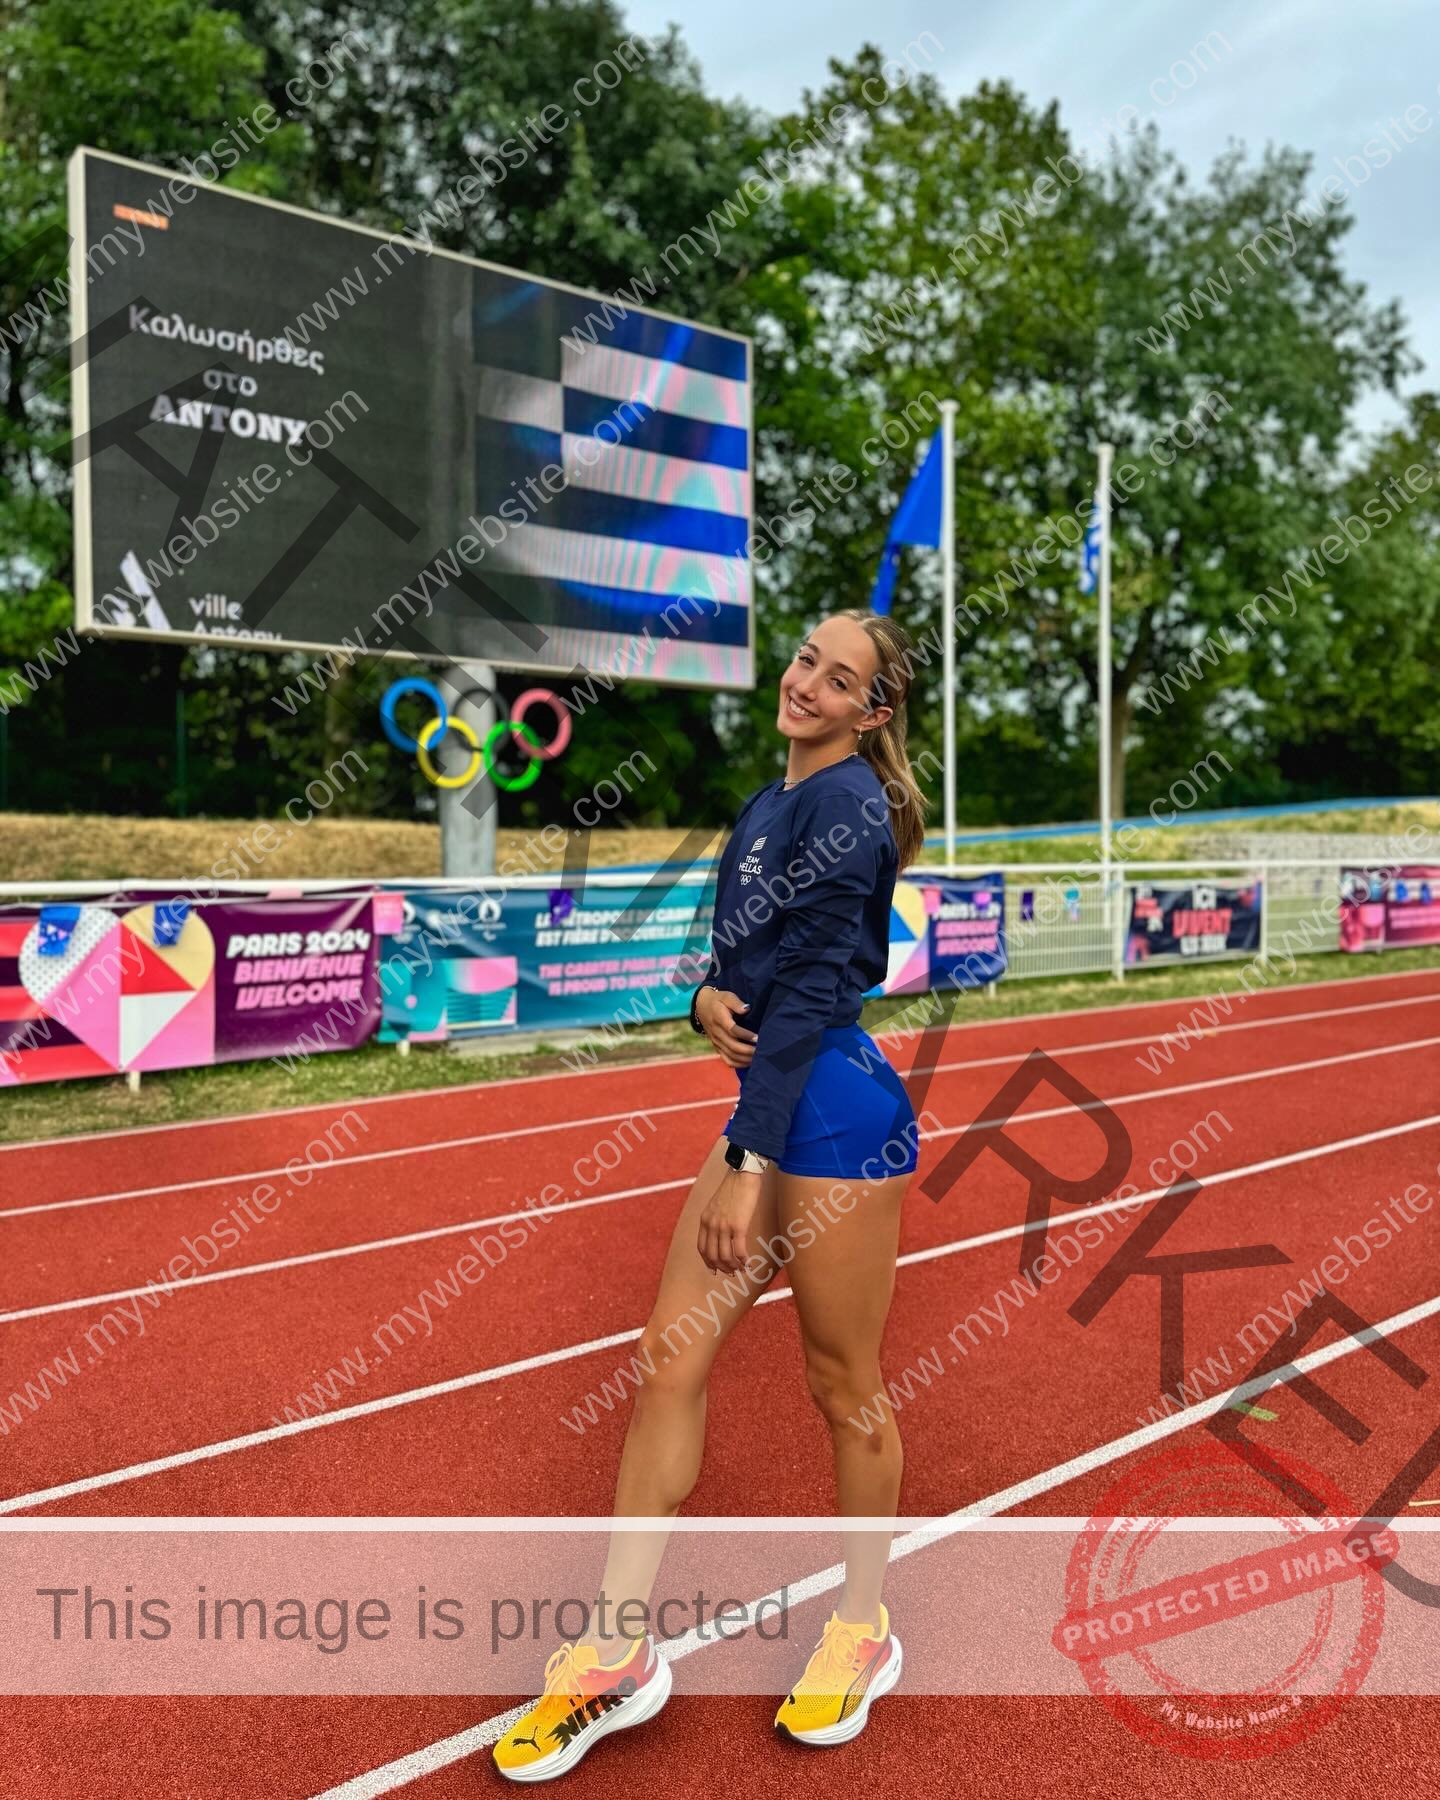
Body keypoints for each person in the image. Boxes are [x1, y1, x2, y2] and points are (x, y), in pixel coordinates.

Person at [493, 608, 929, 1781]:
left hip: (834, 1121)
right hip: (770, 1111)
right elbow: (744, 964)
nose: (807, 683)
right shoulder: (769, 801)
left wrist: (748, 1164)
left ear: (873, 711)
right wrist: (701, 999)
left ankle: (862, 1629)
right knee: (666, 1360)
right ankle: (614, 1653)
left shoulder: (849, 808)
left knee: (842, 1383)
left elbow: (814, 992)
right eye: (805, 659)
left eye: (839, 679)